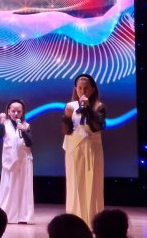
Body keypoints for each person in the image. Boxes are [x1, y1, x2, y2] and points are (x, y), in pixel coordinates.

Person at [62, 73, 106, 225]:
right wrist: (66, 118)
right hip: (74, 149)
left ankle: (93, 221)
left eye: (86, 88)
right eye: (80, 88)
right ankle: (75, 221)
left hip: (92, 149)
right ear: (76, 89)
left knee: (92, 184)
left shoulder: (98, 106)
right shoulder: (70, 106)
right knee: (75, 184)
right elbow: (67, 130)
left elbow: (97, 127)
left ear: (92, 89)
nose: (83, 91)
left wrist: (87, 109)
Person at [0, 99, 34, 224]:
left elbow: (29, 143)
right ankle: (5, 215)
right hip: (9, 162)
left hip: (24, 160)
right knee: (8, 188)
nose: (16, 113)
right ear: (8, 111)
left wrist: (23, 131)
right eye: (13, 111)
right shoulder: (5, 124)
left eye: (19, 111)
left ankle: (23, 216)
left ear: (22, 112)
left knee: (24, 189)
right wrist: (1, 122)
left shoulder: (26, 125)